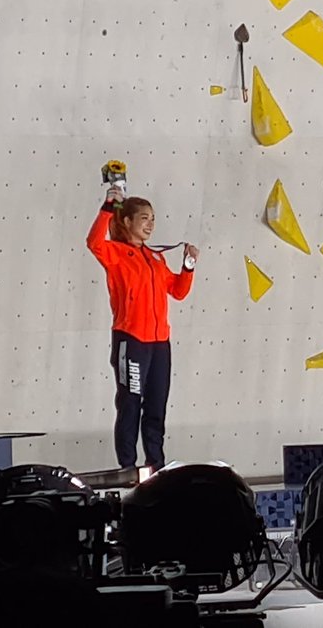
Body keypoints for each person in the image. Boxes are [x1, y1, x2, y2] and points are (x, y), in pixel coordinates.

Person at [86, 186, 198, 471]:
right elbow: (94, 242)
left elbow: (178, 291)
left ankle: (156, 464)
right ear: (127, 223)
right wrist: (108, 206)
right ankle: (127, 467)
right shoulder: (116, 253)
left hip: (160, 343)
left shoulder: (155, 257)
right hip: (131, 339)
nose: (150, 225)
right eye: (144, 218)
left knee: (156, 405)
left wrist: (188, 266)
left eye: (153, 219)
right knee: (130, 404)